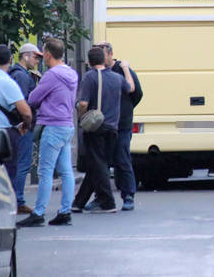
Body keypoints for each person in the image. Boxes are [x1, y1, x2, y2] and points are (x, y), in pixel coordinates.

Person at [16, 38, 78, 227]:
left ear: (49, 55)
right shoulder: (72, 73)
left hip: (52, 125)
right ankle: (65, 211)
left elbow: (33, 99)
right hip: (67, 124)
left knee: (45, 171)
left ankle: (39, 212)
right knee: (66, 171)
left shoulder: (51, 75)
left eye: (43, 53)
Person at [72, 47, 135, 213]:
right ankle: (78, 202)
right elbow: (131, 88)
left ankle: (108, 202)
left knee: (98, 164)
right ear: (104, 59)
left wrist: (82, 116)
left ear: (89, 61)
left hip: (95, 127)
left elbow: (83, 103)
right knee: (98, 164)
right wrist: (126, 69)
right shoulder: (117, 77)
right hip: (113, 128)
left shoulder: (90, 77)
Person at [96, 42, 143, 211]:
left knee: (122, 159)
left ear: (110, 54)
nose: (100, 58)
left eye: (102, 54)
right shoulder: (98, 71)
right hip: (104, 124)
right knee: (102, 162)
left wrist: (126, 109)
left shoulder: (123, 70)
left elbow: (136, 93)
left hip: (122, 124)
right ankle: (101, 197)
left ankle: (128, 195)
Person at [9, 43, 42, 214]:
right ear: (26, 56)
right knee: (22, 164)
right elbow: (22, 103)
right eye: (36, 57)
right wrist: (26, 122)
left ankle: (14, 199)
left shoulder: (17, 74)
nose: (37, 61)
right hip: (22, 126)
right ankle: (18, 200)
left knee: (15, 164)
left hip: (15, 125)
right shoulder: (22, 76)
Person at [0, 44, 33, 183]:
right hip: (3, 135)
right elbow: (26, 113)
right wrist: (26, 125)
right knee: (8, 175)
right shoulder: (7, 82)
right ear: (10, 60)